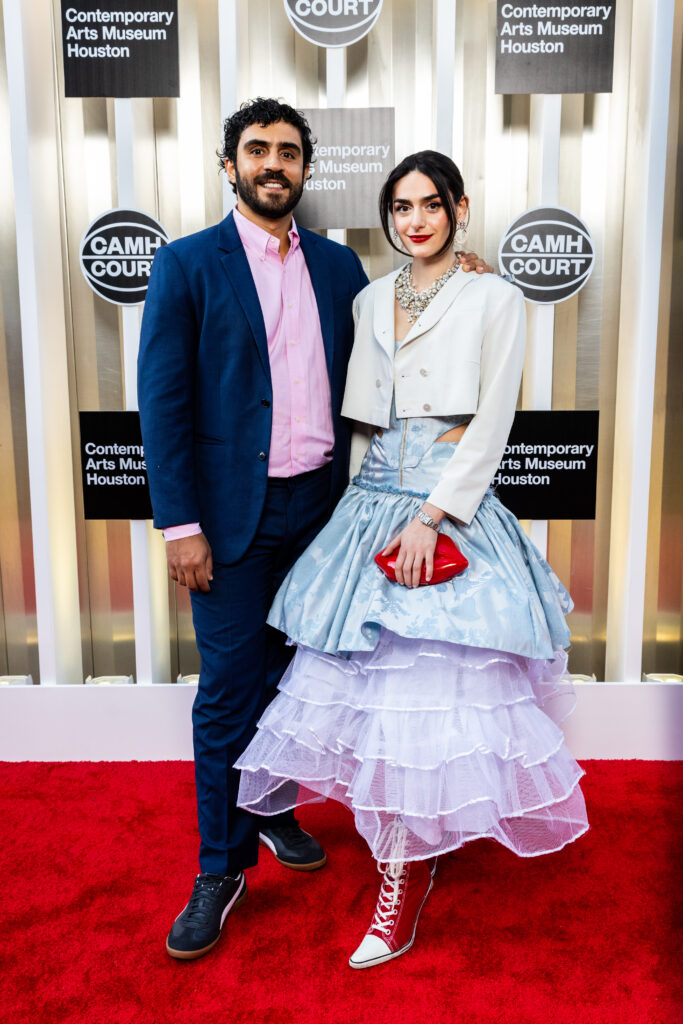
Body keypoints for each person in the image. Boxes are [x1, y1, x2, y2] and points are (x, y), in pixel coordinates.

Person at [138, 99, 491, 961]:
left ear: (305, 168)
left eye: (288, 152)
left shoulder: (340, 272)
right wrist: (180, 525)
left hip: (324, 516)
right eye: (256, 150)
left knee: (298, 683)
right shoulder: (186, 265)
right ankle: (219, 870)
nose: (272, 163)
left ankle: (272, 811)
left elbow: (408, 317)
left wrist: (463, 273)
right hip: (227, 521)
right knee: (228, 690)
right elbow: (164, 403)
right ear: (230, 166)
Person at [235, 150, 589, 969]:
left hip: (446, 510)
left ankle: (401, 884)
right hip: (368, 508)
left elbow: (493, 416)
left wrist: (435, 515)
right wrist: (351, 527)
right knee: (369, 709)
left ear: (460, 209)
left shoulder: (496, 296)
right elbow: (363, 421)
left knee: (426, 704)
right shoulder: (365, 299)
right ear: (388, 216)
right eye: (401, 207)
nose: (416, 220)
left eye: (432, 204)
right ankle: (407, 854)